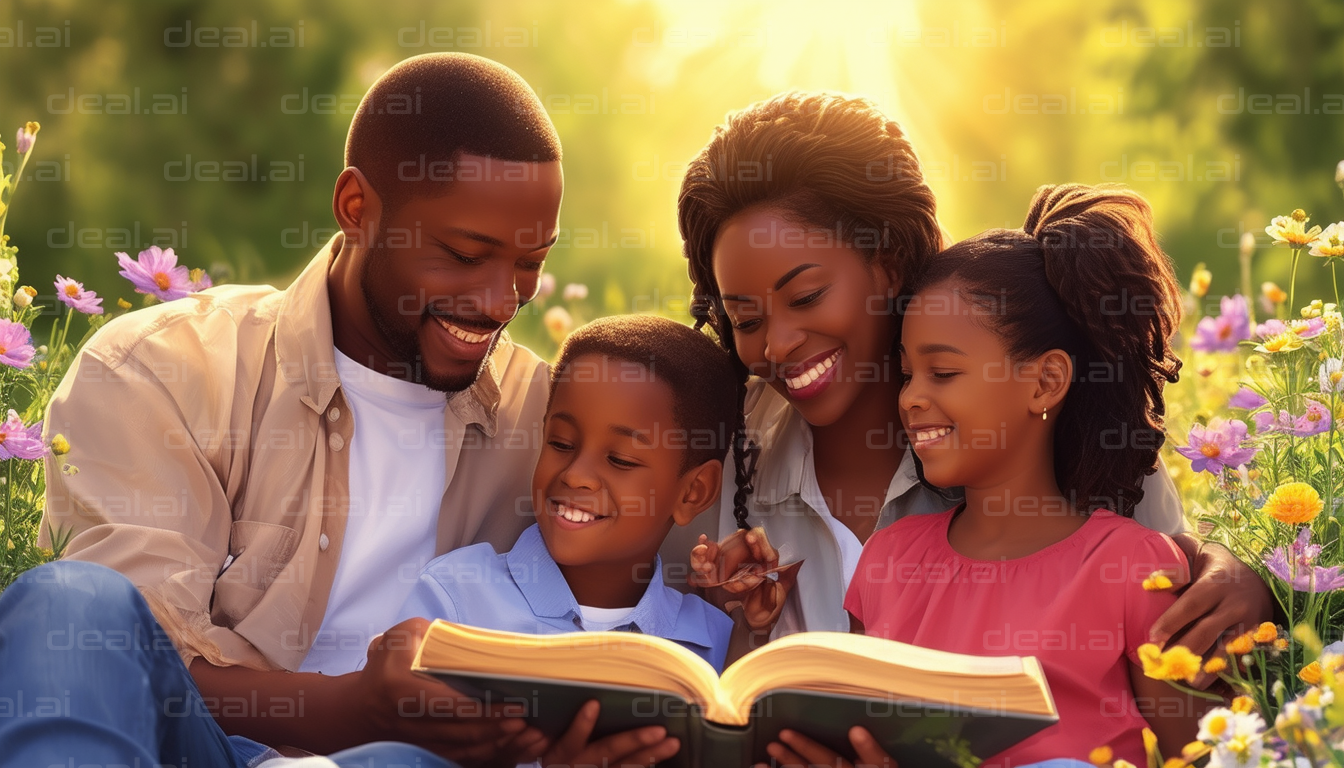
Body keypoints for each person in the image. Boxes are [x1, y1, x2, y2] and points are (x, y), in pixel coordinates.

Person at [2, 53, 576, 765]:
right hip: (200, 751)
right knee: (71, 602)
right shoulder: (165, 366)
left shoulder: (556, 423)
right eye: (463, 255)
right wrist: (357, 708)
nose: (500, 302)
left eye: (530, 262)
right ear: (357, 209)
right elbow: (132, 666)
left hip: (408, 763)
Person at [671, 91, 1273, 661]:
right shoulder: (722, 450)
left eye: (806, 296)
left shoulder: (1047, 418)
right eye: (745, 317)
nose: (776, 344)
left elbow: (1171, 584)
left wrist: (1238, 578)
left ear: (888, 264)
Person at [826, 184, 1203, 766]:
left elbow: (1215, 757)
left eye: (943, 372)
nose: (911, 399)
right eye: (906, 375)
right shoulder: (885, 561)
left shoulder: (1135, 569)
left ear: (1046, 381)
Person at [396, 315, 739, 767]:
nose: (575, 474)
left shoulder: (710, 644)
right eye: (560, 443)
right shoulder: (455, 602)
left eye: (619, 459)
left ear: (693, 492)